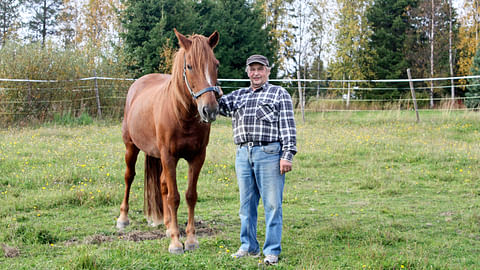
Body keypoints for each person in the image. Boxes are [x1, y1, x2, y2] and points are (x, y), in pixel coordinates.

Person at [218, 54, 297, 265]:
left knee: (272, 205)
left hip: (269, 153)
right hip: (243, 154)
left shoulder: (279, 94)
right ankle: (248, 247)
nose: (256, 73)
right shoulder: (239, 96)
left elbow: (288, 127)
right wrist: (211, 87)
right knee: (246, 205)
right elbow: (215, 105)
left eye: (260, 69)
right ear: (247, 72)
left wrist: (287, 156)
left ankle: (271, 250)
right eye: (252, 69)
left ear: (268, 71)